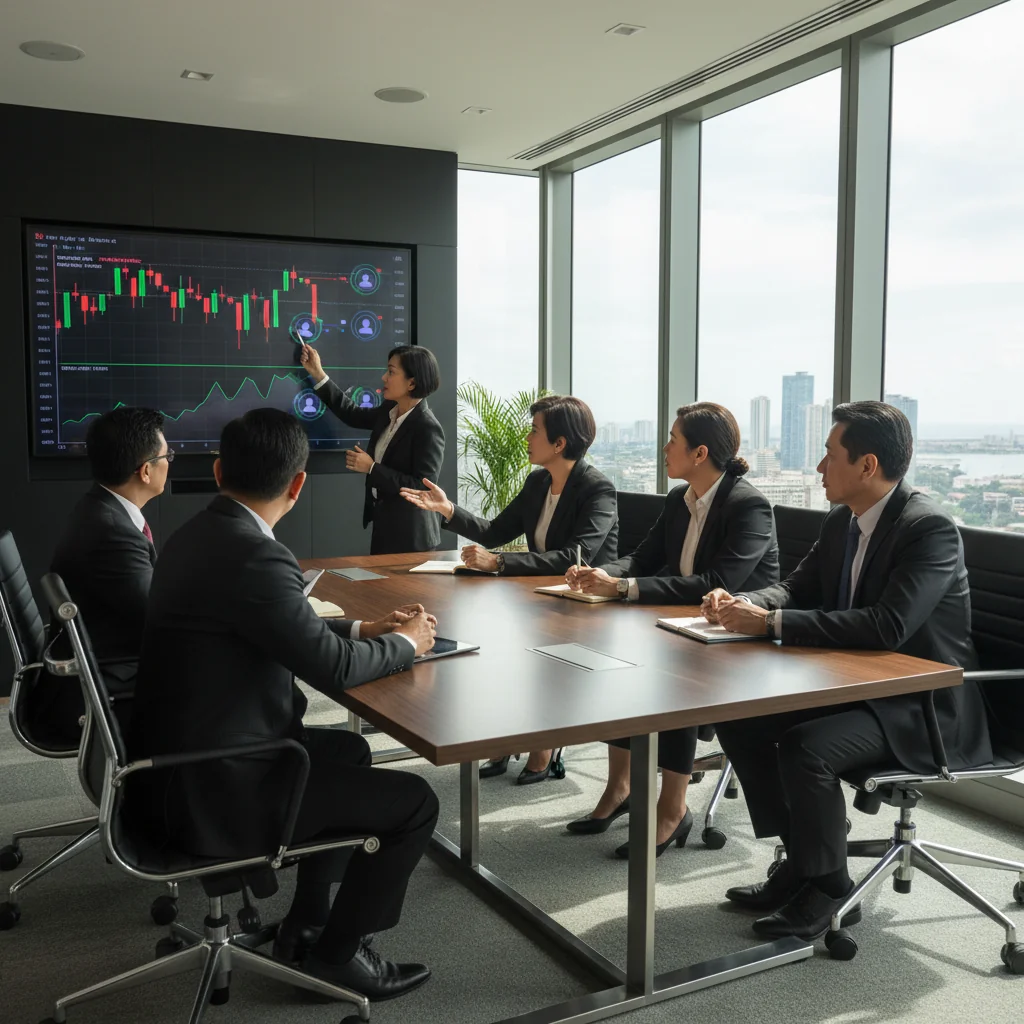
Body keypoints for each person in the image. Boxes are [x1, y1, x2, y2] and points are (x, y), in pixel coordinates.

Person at [127, 409, 440, 1001]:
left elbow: (283, 628)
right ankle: (338, 958)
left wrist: (362, 629)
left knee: (347, 748)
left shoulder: (197, 535)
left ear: (219, 470)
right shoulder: (255, 553)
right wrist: (406, 644)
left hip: (176, 765)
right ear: (298, 486)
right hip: (222, 788)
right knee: (416, 804)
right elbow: (335, 670)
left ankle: (307, 924)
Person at [701, 401, 989, 942]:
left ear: (866, 465)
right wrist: (745, 602)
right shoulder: (843, 521)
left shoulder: (929, 530)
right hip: (857, 689)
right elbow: (796, 586)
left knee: (807, 746)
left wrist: (770, 623)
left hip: (920, 706)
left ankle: (831, 886)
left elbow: (887, 626)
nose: (817, 468)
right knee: (742, 718)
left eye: (828, 455)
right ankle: (802, 862)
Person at [563, 402, 779, 858]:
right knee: (618, 664)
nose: (664, 449)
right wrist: (602, 577)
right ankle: (619, 787)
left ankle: (672, 810)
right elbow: (641, 560)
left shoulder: (749, 506)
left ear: (699, 453)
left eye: (672, 440)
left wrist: (623, 587)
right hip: (690, 628)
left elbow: (714, 584)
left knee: (670, 680)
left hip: (742, 640)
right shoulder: (679, 501)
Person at [400, 394, 618, 786]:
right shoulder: (538, 482)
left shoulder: (596, 488)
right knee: (497, 643)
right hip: (539, 597)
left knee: (524, 648)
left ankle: (542, 744)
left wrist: (499, 562)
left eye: (535, 430)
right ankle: (509, 733)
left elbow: (572, 556)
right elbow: (495, 532)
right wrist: (448, 510)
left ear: (560, 444)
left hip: (586, 605)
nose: (527, 437)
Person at [35, 408, 170, 744]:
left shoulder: (100, 509)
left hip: (105, 661)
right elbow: (161, 619)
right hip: (106, 685)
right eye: (168, 455)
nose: (171, 462)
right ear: (145, 471)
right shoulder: (112, 533)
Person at [300, 343, 445, 554]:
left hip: (412, 537)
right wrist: (317, 373)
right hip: (385, 526)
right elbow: (351, 413)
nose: (384, 378)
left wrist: (372, 468)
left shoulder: (427, 428)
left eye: (391, 372)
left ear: (411, 383)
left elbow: (422, 488)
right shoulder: (389, 410)